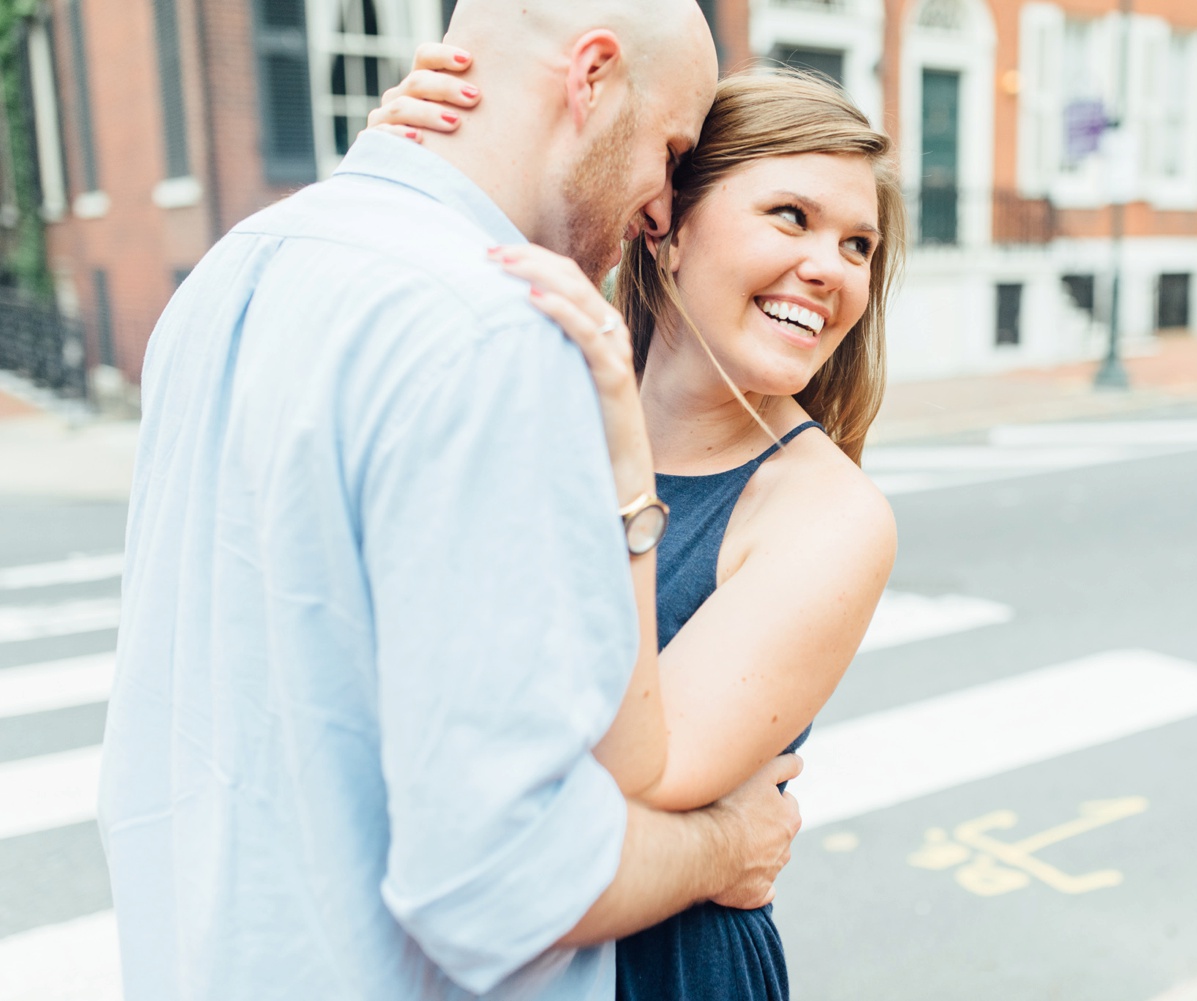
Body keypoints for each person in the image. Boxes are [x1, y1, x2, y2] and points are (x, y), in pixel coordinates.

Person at [97, 4, 803, 1000]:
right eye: (671, 149)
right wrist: (728, 844)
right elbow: (498, 884)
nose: (660, 208)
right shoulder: (498, 333)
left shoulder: (232, 269)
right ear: (591, 77)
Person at [370, 53, 907, 1001]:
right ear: (665, 226)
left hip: (656, 970)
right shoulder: (525, 380)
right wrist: (408, 170)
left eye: (858, 246)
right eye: (791, 216)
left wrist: (624, 467)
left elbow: (638, 782)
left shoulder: (826, 514)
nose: (829, 268)